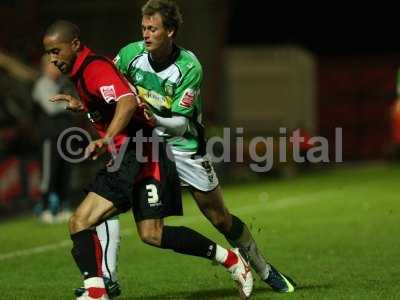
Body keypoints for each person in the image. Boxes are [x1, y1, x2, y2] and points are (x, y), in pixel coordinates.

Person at [43, 20, 253, 300]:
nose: (53, 59)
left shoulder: (94, 69)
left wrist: (107, 139)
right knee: (152, 234)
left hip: (137, 152)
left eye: (56, 51)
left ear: (75, 45)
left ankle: (96, 291)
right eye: (49, 54)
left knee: (80, 221)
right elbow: (110, 102)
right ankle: (233, 260)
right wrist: (82, 106)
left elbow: (127, 101)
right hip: (143, 151)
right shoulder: (82, 73)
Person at [112, 0, 296, 293]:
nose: (146, 34)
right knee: (108, 204)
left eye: (153, 29)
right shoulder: (128, 56)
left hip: (184, 148)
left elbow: (180, 124)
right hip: (145, 149)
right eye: (144, 28)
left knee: (220, 218)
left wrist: (149, 115)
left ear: (170, 31)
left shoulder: (188, 66)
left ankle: (263, 268)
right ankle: (103, 280)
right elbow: (108, 88)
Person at [32, 55, 74, 223]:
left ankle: (63, 206)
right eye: (53, 64)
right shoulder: (42, 84)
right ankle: (45, 208)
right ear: (45, 67)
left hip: (66, 136)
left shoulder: (62, 84)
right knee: (49, 174)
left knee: (65, 172)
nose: (57, 67)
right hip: (50, 137)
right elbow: (50, 108)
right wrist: (70, 104)